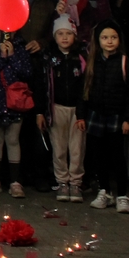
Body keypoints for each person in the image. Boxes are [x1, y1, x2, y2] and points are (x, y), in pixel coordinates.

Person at [77, 20, 129, 214]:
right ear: (98, 40)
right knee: (98, 156)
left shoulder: (126, 64)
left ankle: (122, 195)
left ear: (119, 39)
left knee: (117, 157)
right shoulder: (92, 63)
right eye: (105, 37)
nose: (109, 41)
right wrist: (81, 116)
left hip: (116, 117)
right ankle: (104, 191)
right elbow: (84, 92)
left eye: (113, 37)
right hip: (96, 116)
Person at [37, 16, 87, 203]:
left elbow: (85, 88)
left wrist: (82, 113)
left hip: (77, 110)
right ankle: (62, 182)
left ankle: (75, 183)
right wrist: (40, 112)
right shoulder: (49, 58)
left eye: (68, 33)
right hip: (56, 108)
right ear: (54, 36)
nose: (64, 37)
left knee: (77, 148)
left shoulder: (81, 58)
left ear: (74, 35)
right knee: (58, 147)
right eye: (60, 34)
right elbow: (42, 86)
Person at [0, 30, 33, 199]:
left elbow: (27, 73)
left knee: (13, 139)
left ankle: (15, 182)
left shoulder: (21, 49)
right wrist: (1, 56)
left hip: (15, 102)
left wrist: (12, 55)